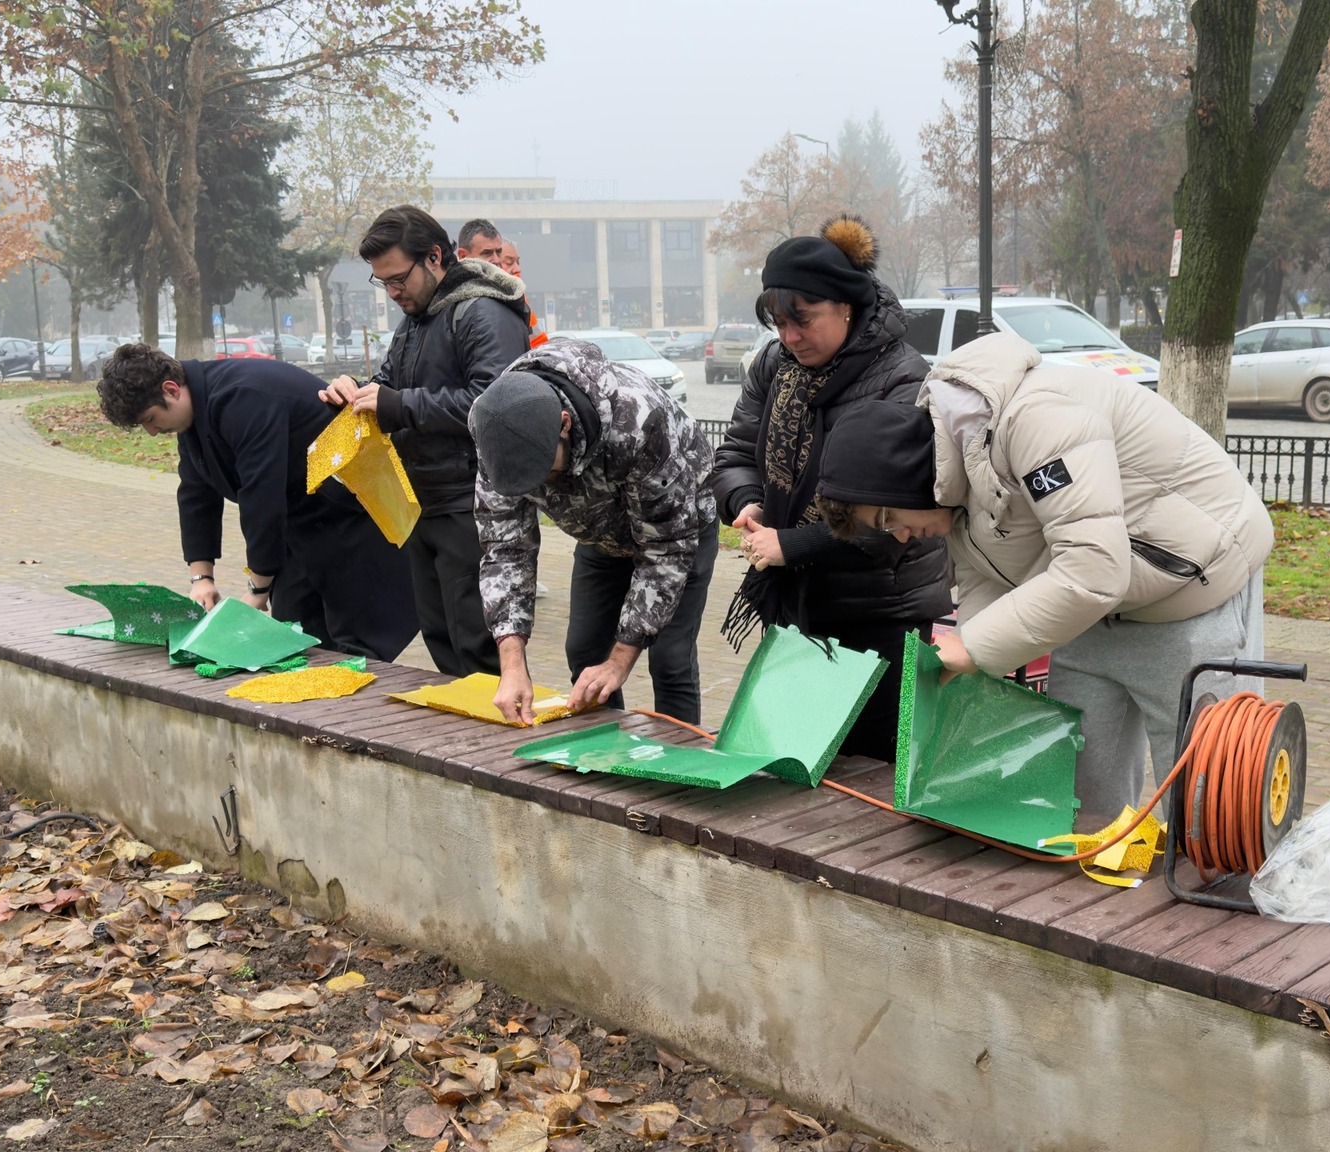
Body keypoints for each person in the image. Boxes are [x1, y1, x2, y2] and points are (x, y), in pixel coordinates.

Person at [811, 332, 1274, 830]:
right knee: (1079, 800)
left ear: (902, 477)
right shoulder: (955, 483)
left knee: (1209, 808)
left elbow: (1094, 567)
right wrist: (972, 660)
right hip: (1088, 609)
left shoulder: (1035, 420)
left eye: (887, 517)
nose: (900, 536)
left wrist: (975, 647)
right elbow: (986, 580)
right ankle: (1099, 905)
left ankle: (1217, 901)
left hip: (1190, 585)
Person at [707, 215, 951, 760]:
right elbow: (737, 453)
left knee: (876, 769)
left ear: (846, 304)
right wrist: (745, 502)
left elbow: (900, 518)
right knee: (792, 758)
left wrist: (790, 545)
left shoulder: (902, 378)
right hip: (793, 603)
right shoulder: (775, 365)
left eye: (805, 321)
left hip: (881, 609)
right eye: (779, 324)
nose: (791, 338)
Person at [98, 343, 419, 661]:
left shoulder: (243, 397)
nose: (152, 432)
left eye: (150, 419)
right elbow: (196, 493)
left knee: (357, 655)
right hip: (304, 532)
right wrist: (202, 578)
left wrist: (257, 590)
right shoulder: (196, 411)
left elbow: (262, 496)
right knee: (296, 641)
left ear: (171, 390)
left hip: (354, 530)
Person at [319, 205, 532, 676]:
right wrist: (352, 393)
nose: (393, 293)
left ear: (435, 257)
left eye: (398, 279)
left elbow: (496, 406)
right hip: (423, 502)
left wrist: (398, 405)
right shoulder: (416, 320)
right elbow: (392, 385)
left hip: (475, 504)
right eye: (383, 283)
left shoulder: (484, 313)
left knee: (479, 648)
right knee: (442, 641)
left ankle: (496, 744)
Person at [468, 338, 717, 723]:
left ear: (564, 424)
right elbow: (505, 551)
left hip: (678, 531)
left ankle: (682, 772)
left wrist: (620, 661)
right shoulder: (496, 431)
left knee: (668, 660)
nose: (543, 487)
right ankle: (605, 760)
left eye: (543, 472)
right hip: (600, 535)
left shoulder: (636, 421)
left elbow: (665, 548)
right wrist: (513, 662)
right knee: (585, 652)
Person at [497, 238, 549, 350]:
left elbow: (538, 342)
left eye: (518, 262)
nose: (517, 268)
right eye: (509, 262)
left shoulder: (519, 297)